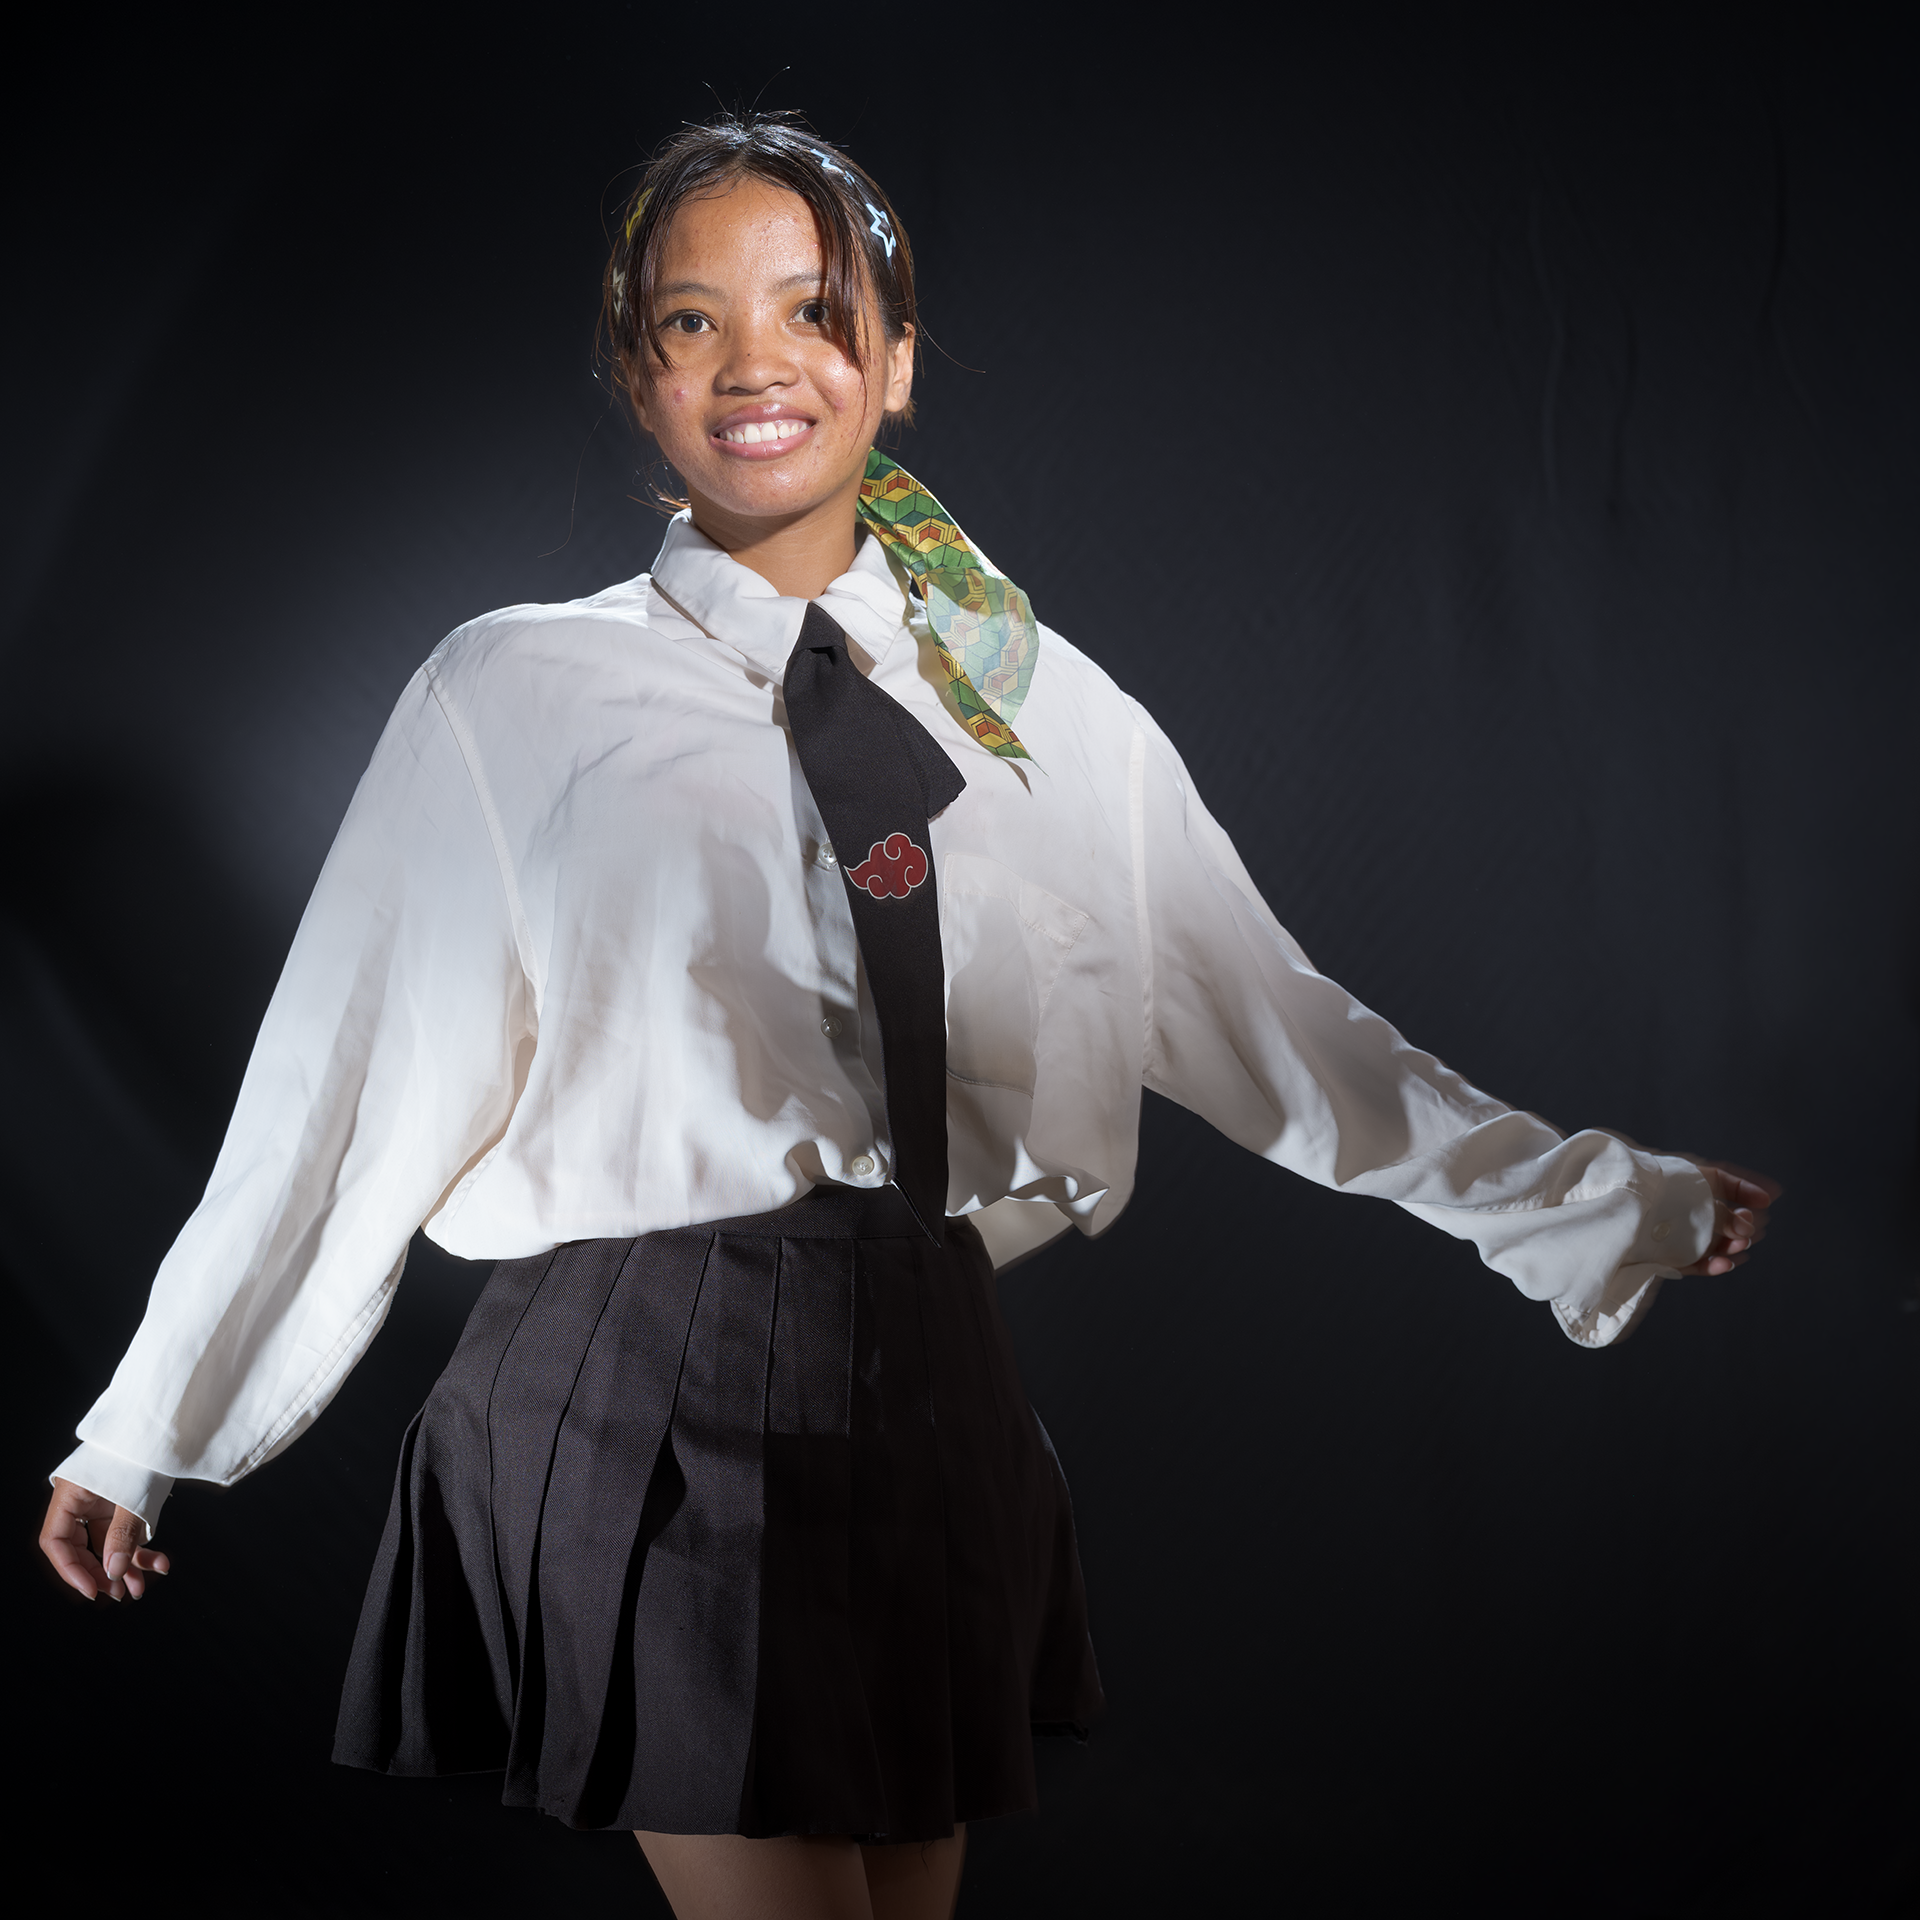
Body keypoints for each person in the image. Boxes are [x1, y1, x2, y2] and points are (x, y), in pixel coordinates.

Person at [37, 112, 1778, 1920]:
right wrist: (152, 1422)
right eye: (693, 320)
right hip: (644, 1386)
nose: (757, 363)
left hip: (930, 1379)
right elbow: (340, 1076)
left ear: (898, 359)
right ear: (637, 375)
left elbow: (1275, 1023)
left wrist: (1590, 1199)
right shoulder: (513, 689)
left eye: (812, 309)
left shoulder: (1040, 708)